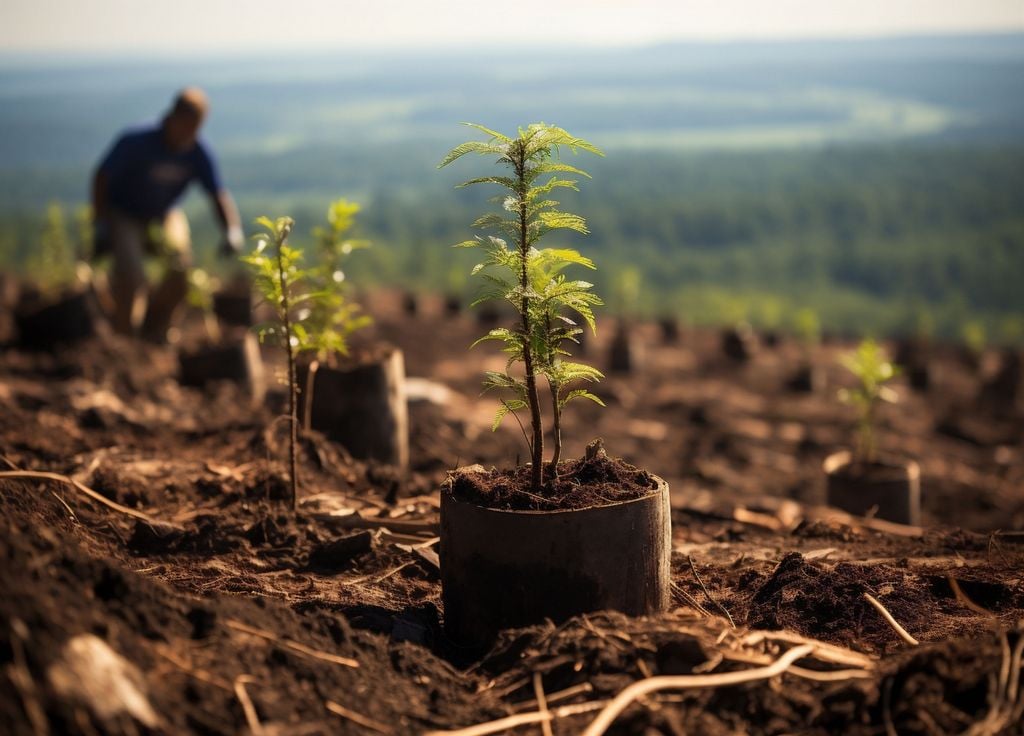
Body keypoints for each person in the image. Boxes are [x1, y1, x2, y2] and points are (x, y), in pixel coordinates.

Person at [91, 87, 243, 341]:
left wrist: (231, 229)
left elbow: (217, 194)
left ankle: (156, 329)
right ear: (172, 117)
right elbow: (102, 177)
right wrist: (101, 221)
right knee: (131, 277)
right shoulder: (136, 141)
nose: (189, 134)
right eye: (186, 126)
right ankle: (124, 337)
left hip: (164, 213)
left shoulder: (198, 150)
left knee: (182, 271)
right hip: (124, 213)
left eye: (196, 128)